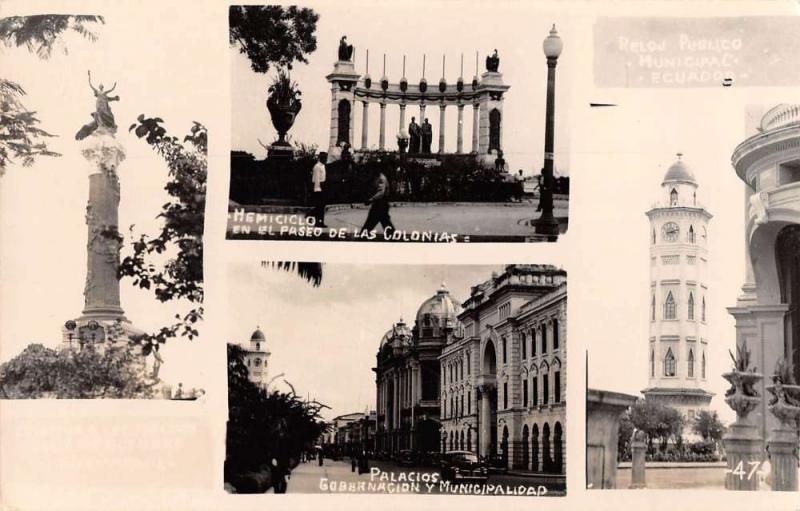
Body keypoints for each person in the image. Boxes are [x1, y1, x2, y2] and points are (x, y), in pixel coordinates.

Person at [360, 168, 395, 235]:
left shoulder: (381, 178)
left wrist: (371, 199)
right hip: (380, 204)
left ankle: (362, 236)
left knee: (371, 222)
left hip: (381, 203)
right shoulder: (378, 177)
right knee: (385, 223)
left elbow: (381, 192)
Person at [311, 152, 328, 228]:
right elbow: (317, 179)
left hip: (323, 187)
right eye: (324, 158)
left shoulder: (323, 166)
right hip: (318, 188)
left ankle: (317, 221)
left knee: (321, 207)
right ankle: (319, 222)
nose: (325, 159)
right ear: (320, 158)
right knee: (320, 207)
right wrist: (319, 189)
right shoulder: (317, 166)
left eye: (326, 157)